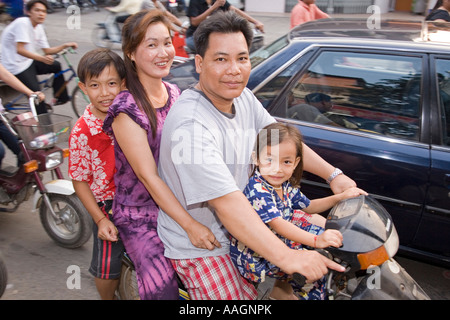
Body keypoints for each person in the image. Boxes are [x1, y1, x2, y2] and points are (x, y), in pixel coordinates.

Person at [157, 11, 354, 300]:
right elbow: (227, 204)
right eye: (221, 59)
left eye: (242, 58)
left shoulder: (243, 97)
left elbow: (282, 141)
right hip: (205, 244)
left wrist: (333, 175)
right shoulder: (190, 125)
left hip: (249, 226)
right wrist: (287, 257)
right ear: (199, 64)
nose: (234, 69)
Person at [102, 10, 218, 300]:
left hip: (180, 199)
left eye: (167, 43)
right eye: (151, 45)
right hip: (141, 214)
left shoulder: (175, 92)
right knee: (163, 290)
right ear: (131, 52)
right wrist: (190, 225)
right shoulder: (126, 109)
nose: (163, 52)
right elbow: (148, 176)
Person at [230, 122, 367, 300]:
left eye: (286, 162)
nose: (277, 168)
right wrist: (317, 241)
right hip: (259, 255)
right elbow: (278, 225)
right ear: (256, 159)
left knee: (330, 242)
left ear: (295, 163)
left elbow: (309, 206)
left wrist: (339, 198)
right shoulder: (258, 191)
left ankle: (281, 292)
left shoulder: (284, 185)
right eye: (269, 160)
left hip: (281, 241)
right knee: (315, 275)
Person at [68, 48, 126, 300]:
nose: (104, 92)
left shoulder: (130, 116)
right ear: (83, 88)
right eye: (95, 85)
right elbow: (79, 181)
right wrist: (101, 220)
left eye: (111, 83)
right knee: (107, 265)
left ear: (123, 84)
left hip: (140, 196)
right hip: (107, 205)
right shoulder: (82, 132)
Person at [0, 0, 77, 114]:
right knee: (37, 95)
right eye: (37, 10)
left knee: (56, 65)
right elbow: (20, 50)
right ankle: (46, 127)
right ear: (28, 12)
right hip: (14, 65)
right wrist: (41, 58)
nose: (41, 14)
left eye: (44, 11)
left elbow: (47, 50)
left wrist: (64, 45)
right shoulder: (22, 23)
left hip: (27, 61)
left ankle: (60, 98)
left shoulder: (39, 27)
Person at [0, 63, 45, 168]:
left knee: (26, 150)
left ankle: (23, 182)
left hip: (1, 118)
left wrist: (31, 93)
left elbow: (5, 74)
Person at [184, 0, 264, 52]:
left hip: (212, 36)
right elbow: (194, 22)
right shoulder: (195, 1)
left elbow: (235, 10)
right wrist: (214, 7)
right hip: (194, 37)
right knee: (223, 50)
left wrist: (255, 22)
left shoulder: (219, 1)